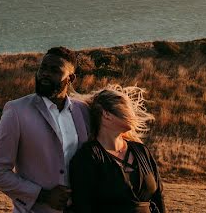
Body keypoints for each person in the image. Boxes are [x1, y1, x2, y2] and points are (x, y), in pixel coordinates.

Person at [0, 46, 90, 212]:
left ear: (70, 78)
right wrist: (43, 195)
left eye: (55, 70)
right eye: (43, 68)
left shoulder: (83, 111)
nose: (45, 74)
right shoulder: (17, 111)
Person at [68, 85, 166, 213]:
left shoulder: (141, 151)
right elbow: (83, 206)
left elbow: (158, 196)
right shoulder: (88, 156)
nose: (131, 113)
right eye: (125, 108)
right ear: (106, 114)